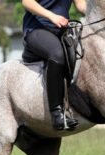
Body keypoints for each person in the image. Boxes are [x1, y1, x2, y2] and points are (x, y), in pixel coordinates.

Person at [21, 0, 86, 130]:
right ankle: (57, 113)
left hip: (62, 29)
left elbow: (81, 5)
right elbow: (27, 2)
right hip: (37, 29)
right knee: (57, 55)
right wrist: (51, 16)